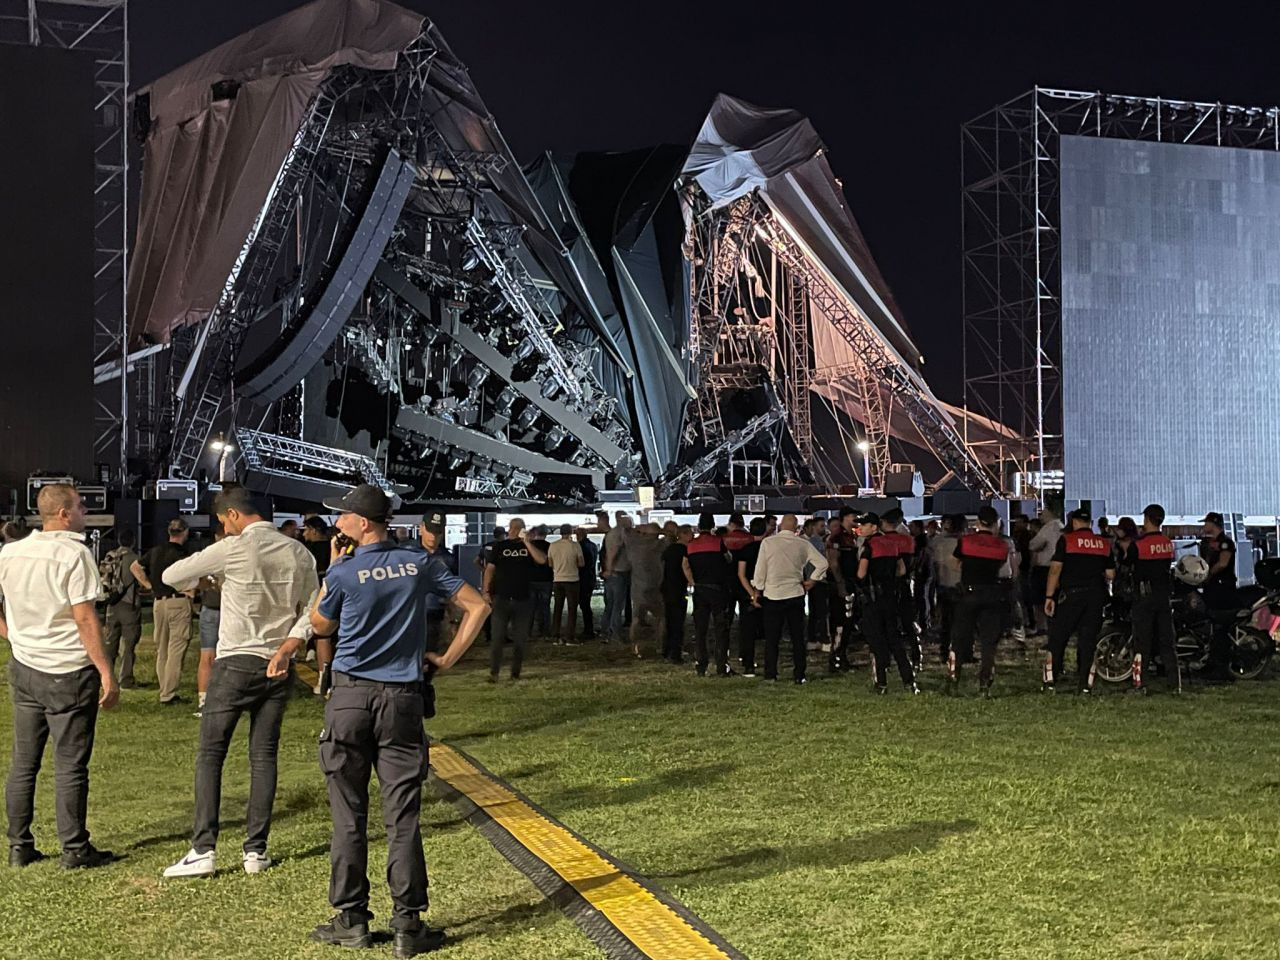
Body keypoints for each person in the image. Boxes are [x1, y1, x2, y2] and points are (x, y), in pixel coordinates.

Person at [301, 483, 489, 955]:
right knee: (402, 815)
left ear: (362, 523)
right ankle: (407, 924)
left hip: (349, 699)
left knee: (349, 814)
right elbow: (478, 605)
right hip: (402, 699)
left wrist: (334, 566)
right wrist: (446, 659)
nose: (337, 523)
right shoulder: (418, 563)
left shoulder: (344, 571)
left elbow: (320, 626)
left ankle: (351, 919)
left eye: (343, 516)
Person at [159, 487, 319, 878]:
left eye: (222, 521)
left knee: (211, 755)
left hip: (234, 663)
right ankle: (255, 850)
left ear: (233, 515)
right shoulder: (299, 552)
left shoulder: (232, 549)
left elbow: (171, 575)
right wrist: (289, 645)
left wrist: (214, 575)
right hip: (277, 663)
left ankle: (204, 848)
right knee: (263, 757)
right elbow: (316, 606)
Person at [0, 484, 119, 869]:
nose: (86, 512)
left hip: (25, 666)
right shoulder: (74, 553)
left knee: (24, 762)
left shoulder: (11, 551)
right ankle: (75, 848)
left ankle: (19, 845)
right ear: (64, 514)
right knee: (70, 765)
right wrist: (106, 671)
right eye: (82, 506)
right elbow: (85, 617)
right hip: (69, 670)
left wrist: (13, 635)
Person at [1043, 508, 1114, 694]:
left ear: (1074, 523)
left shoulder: (1067, 540)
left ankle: (1051, 679)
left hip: (1071, 596)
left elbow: (1055, 569)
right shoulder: (1103, 543)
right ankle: (1084, 684)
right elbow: (1110, 573)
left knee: (1059, 638)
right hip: (1095, 597)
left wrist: (1049, 596)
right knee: (1087, 640)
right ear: (1090, 523)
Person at [752, 515, 828, 684]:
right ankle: (799, 674)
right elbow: (823, 563)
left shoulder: (768, 543)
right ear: (796, 527)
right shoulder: (803, 544)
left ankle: (771, 674)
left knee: (772, 638)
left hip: (773, 595)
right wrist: (813, 580)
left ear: (780, 525)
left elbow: (760, 569)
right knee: (797, 638)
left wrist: (758, 590)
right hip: (795, 593)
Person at [948, 506, 1008, 696]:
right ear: (996, 523)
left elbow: (955, 564)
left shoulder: (965, 542)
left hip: (969, 593)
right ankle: (984, 684)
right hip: (992, 593)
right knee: (988, 643)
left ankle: (953, 679)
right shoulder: (1001, 546)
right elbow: (1001, 567)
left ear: (978, 522)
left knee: (959, 639)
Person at [131, 517, 192, 705]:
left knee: (162, 649)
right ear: (185, 532)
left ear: (169, 532)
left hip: (158, 602)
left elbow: (135, 566)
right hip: (177, 601)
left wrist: (149, 585)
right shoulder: (183, 554)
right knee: (176, 648)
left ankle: (163, 688)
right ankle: (169, 693)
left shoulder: (155, 551)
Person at [856, 512, 919, 695]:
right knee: (895, 640)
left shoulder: (869, 546)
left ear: (874, 527)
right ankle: (909, 681)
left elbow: (861, 573)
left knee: (877, 642)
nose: (861, 528)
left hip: (874, 598)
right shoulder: (893, 544)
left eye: (864, 525)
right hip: (891, 597)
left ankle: (881, 683)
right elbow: (902, 570)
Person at [1126, 504, 1180, 694]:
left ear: (1147, 519)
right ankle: (1174, 684)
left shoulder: (1138, 545)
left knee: (1142, 642)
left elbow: (1128, 565)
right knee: (1167, 641)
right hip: (1163, 596)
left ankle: (1140, 684)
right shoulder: (1167, 543)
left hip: (1144, 596)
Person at [484, 519, 548, 681]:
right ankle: (494, 671)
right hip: (502, 597)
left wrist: (527, 543)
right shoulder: (500, 546)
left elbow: (542, 560)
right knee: (497, 637)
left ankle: (515, 673)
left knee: (520, 639)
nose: (515, 530)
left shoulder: (529, 546)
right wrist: (485, 591)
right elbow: (490, 569)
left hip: (523, 598)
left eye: (518, 528)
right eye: (513, 527)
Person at [684, 513, 734, 677]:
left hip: (700, 589)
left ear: (698, 526)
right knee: (720, 629)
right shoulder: (718, 542)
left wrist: (692, 581)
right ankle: (721, 666)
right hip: (717, 589)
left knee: (700, 629)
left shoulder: (691, 545)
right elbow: (729, 559)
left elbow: (685, 565)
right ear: (712, 525)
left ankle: (701, 665)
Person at [1199, 511, 1238, 681]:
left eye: (1206, 523)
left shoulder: (1225, 543)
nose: (1204, 526)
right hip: (1212, 588)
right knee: (1213, 627)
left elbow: (1223, 563)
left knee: (1221, 627)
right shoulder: (1208, 543)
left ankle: (1222, 670)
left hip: (1223, 589)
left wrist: (1208, 574)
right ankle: (1211, 663)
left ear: (1213, 524)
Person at [101, 526, 142, 688]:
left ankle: (107, 677)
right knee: (129, 645)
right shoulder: (135, 559)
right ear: (133, 542)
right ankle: (125, 679)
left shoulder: (110, 556)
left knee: (110, 642)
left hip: (111, 605)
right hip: (128, 604)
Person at [194, 527, 226, 716]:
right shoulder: (235, 553)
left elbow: (195, 579)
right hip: (229, 610)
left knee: (207, 656)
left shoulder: (207, 556)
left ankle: (203, 700)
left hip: (209, 608)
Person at [826, 507, 861, 672]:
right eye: (853, 516)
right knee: (840, 621)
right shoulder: (837, 537)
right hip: (840, 584)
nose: (856, 518)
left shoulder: (852, 536)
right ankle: (837, 657)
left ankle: (841, 655)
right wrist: (840, 584)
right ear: (843, 518)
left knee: (848, 621)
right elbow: (833, 562)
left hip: (849, 582)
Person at [624, 523, 666, 658]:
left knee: (636, 618)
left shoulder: (634, 546)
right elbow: (672, 534)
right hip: (656, 587)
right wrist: (662, 531)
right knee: (661, 618)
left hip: (638, 588)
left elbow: (627, 531)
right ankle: (660, 645)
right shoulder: (660, 545)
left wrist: (638, 529)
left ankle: (635, 646)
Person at [418, 510, 456, 655]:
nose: (433, 537)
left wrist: (453, 620)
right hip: (409, 613)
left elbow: (452, 592)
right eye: (430, 531)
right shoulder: (406, 554)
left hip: (434, 613)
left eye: (438, 532)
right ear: (421, 528)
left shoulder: (448, 558)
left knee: (429, 654)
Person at [734, 518, 767, 676]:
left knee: (747, 629)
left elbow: (741, 574)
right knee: (769, 628)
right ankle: (769, 662)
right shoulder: (768, 549)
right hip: (767, 591)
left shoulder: (745, 549)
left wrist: (751, 593)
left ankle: (748, 663)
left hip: (747, 592)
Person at [931, 515, 963, 661]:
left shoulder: (938, 542)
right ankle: (960, 651)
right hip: (959, 585)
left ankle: (945, 651)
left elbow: (935, 563)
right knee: (961, 621)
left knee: (946, 621)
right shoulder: (963, 542)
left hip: (944, 584)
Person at [1028, 507, 1062, 637]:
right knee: (1055, 598)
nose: (1041, 516)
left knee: (1039, 599)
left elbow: (1034, 544)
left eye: (1043, 513)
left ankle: (1042, 627)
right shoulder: (1062, 527)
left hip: (1044, 568)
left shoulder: (1049, 528)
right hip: (1058, 567)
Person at [547, 524, 584, 644]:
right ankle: (570, 636)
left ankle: (555, 635)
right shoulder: (575, 545)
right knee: (572, 609)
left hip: (558, 579)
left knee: (558, 608)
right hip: (572, 579)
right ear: (571, 532)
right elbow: (581, 563)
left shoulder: (553, 545)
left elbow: (550, 564)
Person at [660, 526, 692, 663]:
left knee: (670, 621)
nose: (692, 536)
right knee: (678, 622)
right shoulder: (685, 550)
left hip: (667, 588)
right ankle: (676, 654)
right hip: (678, 589)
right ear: (683, 535)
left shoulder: (669, 550)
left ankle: (667, 650)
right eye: (690, 533)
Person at [601, 512, 632, 642]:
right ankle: (615, 633)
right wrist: (609, 569)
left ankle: (606, 630)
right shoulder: (619, 534)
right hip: (618, 573)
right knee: (617, 605)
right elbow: (613, 552)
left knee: (611, 604)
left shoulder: (613, 533)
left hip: (614, 573)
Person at [804, 518, 831, 654]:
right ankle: (824, 640)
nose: (824, 528)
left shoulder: (811, 542)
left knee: (814, 611)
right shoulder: (816, 543)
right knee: (821, 611)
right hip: (818, 580)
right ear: (814, 527)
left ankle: (812, 639)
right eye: (822, 526)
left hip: (811, 579)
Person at [527, 525, 553, 639]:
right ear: (546, 534)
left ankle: (528, 631)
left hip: (531, 579)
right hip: (546, 579)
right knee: (545, 607)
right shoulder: (550, 546)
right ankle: (545, 631)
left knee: (530, 607)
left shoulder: (529, 547)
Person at [575, 528, 598, 640]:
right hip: (591, 577)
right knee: (586, 604)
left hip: (583, 578)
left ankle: (588, 629)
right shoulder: (593, 545)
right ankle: (589, 628)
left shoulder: (580, 547)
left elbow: (582, 564)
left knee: (584, 605)